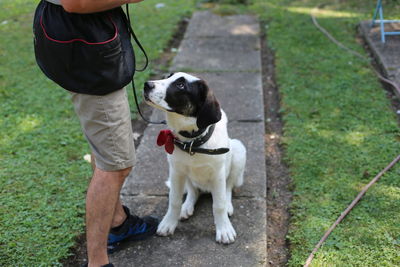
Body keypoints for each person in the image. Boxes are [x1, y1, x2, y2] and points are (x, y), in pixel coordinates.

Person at [42, 1, 159, 266]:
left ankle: (117, 223)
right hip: (85, 38)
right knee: (116, 166)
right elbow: (76, 3)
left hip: (76, 33)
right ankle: (98, 261)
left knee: (104, 146)